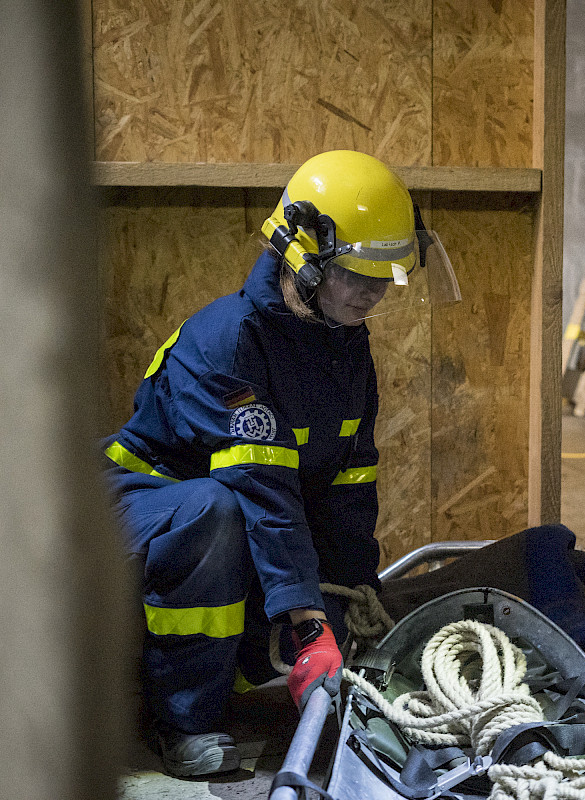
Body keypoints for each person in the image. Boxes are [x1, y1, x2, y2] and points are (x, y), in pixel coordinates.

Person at [103, 150, 459, 778]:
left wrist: (351, 604)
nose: (375, 292)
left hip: (228, 521)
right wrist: (307, 622)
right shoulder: (230, 341)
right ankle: (182, 721)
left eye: (387, 275)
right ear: (302, 255)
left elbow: (349, 484)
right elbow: (263, 494)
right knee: (215, 514)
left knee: (272, 544)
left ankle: (232, 675)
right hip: (139, 514)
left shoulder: (344, 342)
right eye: (357, 273)